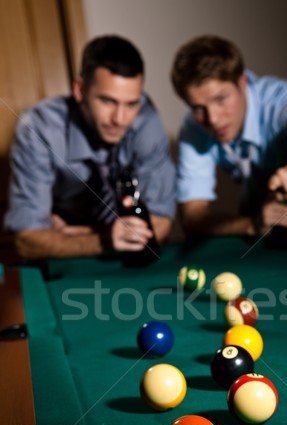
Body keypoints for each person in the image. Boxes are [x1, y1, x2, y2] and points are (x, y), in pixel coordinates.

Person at [170, 35, 287, 239]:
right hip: (262, 191)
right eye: (198, 108)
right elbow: (193, 217)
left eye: (221, 99)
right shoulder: (193, 127)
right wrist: (251, 224)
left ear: (242, 82)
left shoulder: (282, 99)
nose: (213, 119)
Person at [4, 35, 176, 259]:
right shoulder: (38, 128)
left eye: (131, 104)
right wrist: (105, 238)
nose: (120, 119)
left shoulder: (145, 120)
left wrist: (74, 234)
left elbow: (161, 224)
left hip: (119, 259)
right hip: (61, 264)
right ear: (79, 90)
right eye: (107, 101)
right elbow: (26, 240)